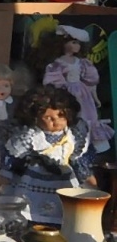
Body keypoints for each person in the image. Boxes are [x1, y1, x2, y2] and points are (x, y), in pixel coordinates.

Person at [1, 85, 94, 224]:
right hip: (33, 179)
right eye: (48, 117)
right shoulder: (30, 136)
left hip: (64, 180)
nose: (55, 121)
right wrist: (5, 175)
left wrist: (87, 177)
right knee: (30, 210)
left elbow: (79, 160)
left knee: (64, 212)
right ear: (35, 118)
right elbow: (13, 156)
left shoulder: (74, 137)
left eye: (60, 115)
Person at [43, 25, 112, 153]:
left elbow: (91, 81)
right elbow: (53, 81)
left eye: (78, 43)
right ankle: (72, 146)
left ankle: (94, 146)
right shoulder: (58, 63)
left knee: (90, 116)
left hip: (83, 93)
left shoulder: (82, 62)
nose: (77, 46)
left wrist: (95, 97)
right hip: (67, 93)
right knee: (71, 117)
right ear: (63, 43)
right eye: (73, 42)